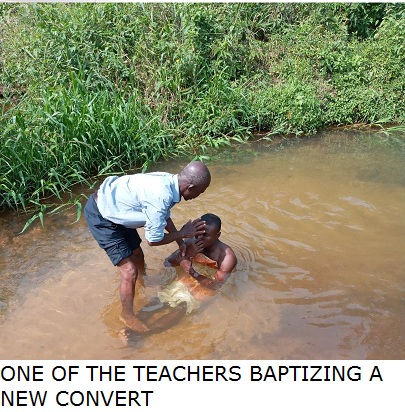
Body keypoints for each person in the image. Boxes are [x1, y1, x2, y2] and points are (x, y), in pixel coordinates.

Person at [84, 161, 211, 333]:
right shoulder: (161, 196)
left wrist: (180, 242)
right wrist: (182, 233)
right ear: (190, 186)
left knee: (137, 254)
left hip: (117, 208)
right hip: (103, 216)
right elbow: (153, 240)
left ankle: (142, 282)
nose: (199, 195)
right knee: (129, 271)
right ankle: (126, 314)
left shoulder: (169, 182)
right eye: (200, 191)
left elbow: (163, 215)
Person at [135, 213, 237, 334]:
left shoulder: (226, 257)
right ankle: (130, 326)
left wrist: (190, 270)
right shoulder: (192, 242)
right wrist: (188, 253)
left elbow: (216, 286)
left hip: (204, 286)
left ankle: (141, 334)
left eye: (206, 235)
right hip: (187, 279)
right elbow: (168, 263)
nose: (200, 238)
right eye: (198, 233)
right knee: (160, 300)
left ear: (217, 235)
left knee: (180, 309)